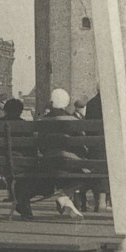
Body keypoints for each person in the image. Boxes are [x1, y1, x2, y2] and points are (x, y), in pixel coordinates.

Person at [36, 88, 85, 220]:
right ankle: (64, 196)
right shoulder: (73, 119)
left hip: (48, 162)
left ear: (51, 102)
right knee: (87, 174)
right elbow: (81, 143)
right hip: (69, 162)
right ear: (67, 103)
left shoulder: (43, 121)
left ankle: (65, 199)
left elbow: (40, 145)